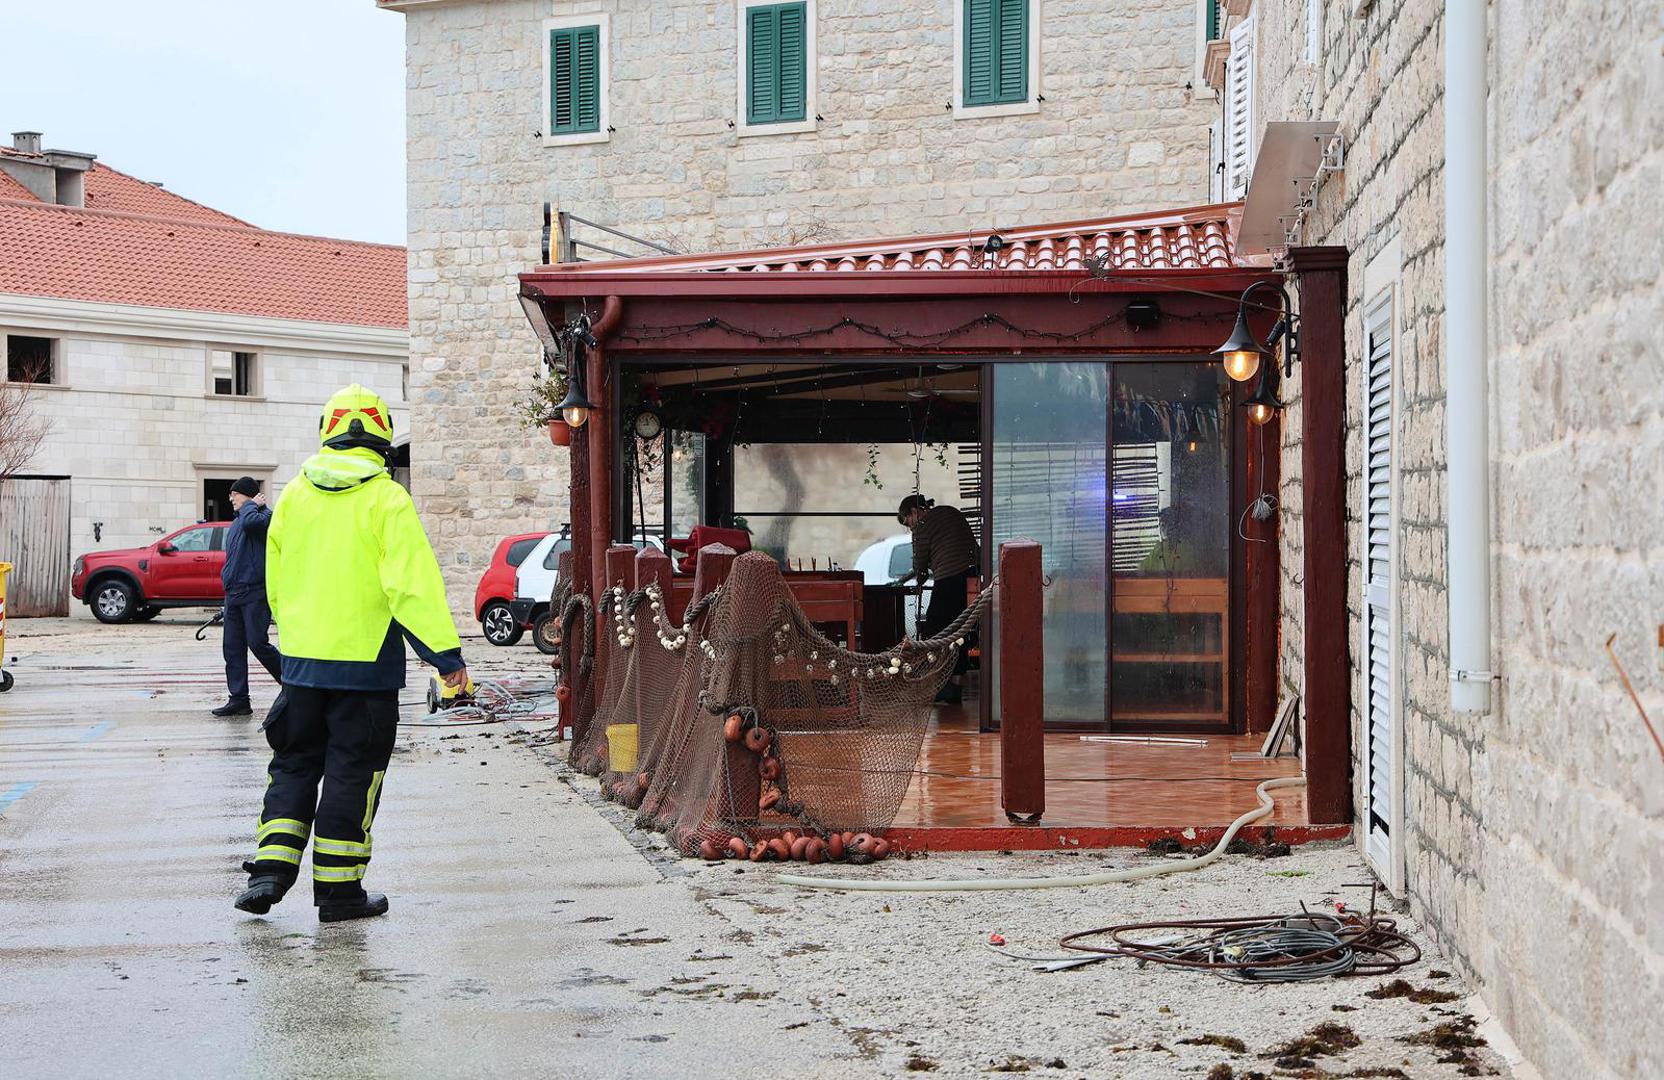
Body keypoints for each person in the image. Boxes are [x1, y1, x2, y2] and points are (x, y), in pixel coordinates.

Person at [235, 385, 467, 923]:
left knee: (292, 763)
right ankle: (339, 893)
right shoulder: (387, 498)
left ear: (328, 431)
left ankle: (270, 869)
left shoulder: (293, 495)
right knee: (351, 774)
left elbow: (277, 579)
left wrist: (292, 641)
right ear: (382, 435)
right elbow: (411, 585)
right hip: (365, 670)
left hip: (303, 664)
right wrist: (445, 657)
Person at [895, 494, 979, 705]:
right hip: (973, 575)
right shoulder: (950, 511)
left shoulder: (922, 526)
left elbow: (920, 563)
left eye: (908, 522)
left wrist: (920, 576)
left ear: (914, 512)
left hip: (949, 577)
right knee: (960, 630)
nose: (911, 527)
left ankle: (938, 686)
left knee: (935, 629)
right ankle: (956, 684)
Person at [211, 477, 283, 718]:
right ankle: (239, 699)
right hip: (233, 594)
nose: (230, 498)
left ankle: (295, 685)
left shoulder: (263, 516)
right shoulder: (237, 522)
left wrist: (252, 505)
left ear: (249, 495)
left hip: (254, 592)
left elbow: (254, 524)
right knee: (232, 648)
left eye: (235, 494)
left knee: (257, 643)